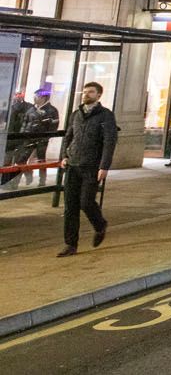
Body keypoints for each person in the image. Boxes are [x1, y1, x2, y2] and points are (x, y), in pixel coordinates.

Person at [57, 81, 116, 257]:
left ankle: (100, 225)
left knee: (86, 202)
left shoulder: (106, 116)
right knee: (70, 207)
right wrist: (64, 156)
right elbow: (69, 136)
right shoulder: (76, 114)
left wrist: (104, 166)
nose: (86, 94)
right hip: (73, 164)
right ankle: (70, 244)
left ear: (98, 95)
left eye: (90, 92)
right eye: (84, 91)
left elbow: (109, 142)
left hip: (92, 166)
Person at [16, 91, 59, 185]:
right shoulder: (31, 109)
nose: (34, 98)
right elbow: (25, 123)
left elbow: (54, 126)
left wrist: (46, 137)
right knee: (21, 160)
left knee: (41, 161)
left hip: (42, 140)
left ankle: (42, 182)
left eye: (36, 96)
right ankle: (18, 180)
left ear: (43, 97)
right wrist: (22, 135)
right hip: (28, 138)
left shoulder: (52, 110)